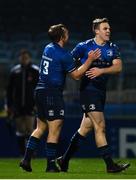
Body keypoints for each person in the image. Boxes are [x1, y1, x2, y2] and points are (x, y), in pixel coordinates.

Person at [19, 24, 101, 172]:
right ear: (62, 37)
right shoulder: (63, 54)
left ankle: (26, 160)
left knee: (40, 128)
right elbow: (76, 76)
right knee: (54, 130)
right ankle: (50, 165)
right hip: (52, 93)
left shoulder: (48, 47)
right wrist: (89, 60)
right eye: (66, 33)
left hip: (40, 91)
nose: (68, 35)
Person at [56, 18, 130, 173]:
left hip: (101, 92)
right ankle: (110, 165)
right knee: (100, 126)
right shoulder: (84, 46)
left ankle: (64, 160)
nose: (108, 31)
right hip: (88, 91)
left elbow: (118, 67)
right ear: (96, 31)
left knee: (84, 129)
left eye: (109, 28)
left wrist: (101, 70)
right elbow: (67, 63)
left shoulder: (112, 47)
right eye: (105, 28)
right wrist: (82, 68)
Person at [6, 49, 39, 156]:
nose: (24, 59)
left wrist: (38, 104)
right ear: (19, 58)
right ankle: (22, 153)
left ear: (29, 58)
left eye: (25, 57)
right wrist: (9, 105)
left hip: (31, 105)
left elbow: (39, 89)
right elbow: (9, 90)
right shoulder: (14, 71)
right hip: (17, 105)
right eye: (22, 57)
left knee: (30, 129)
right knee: (20, 130)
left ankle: (31, 152)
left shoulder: (35, 70)